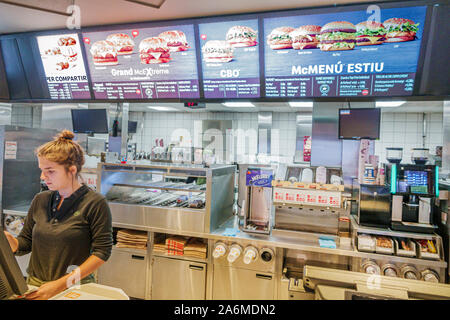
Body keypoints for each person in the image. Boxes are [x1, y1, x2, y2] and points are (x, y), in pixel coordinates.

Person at [3, 130, 113, 300]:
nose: (42, 176)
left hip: (75, 288)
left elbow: (102, 252)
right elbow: (26, 243)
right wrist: (11, 243)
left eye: (50, 171)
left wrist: (61, 284)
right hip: (35, 286)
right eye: (41, 170)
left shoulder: (95, 203)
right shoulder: (41, 199)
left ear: (72, 170)